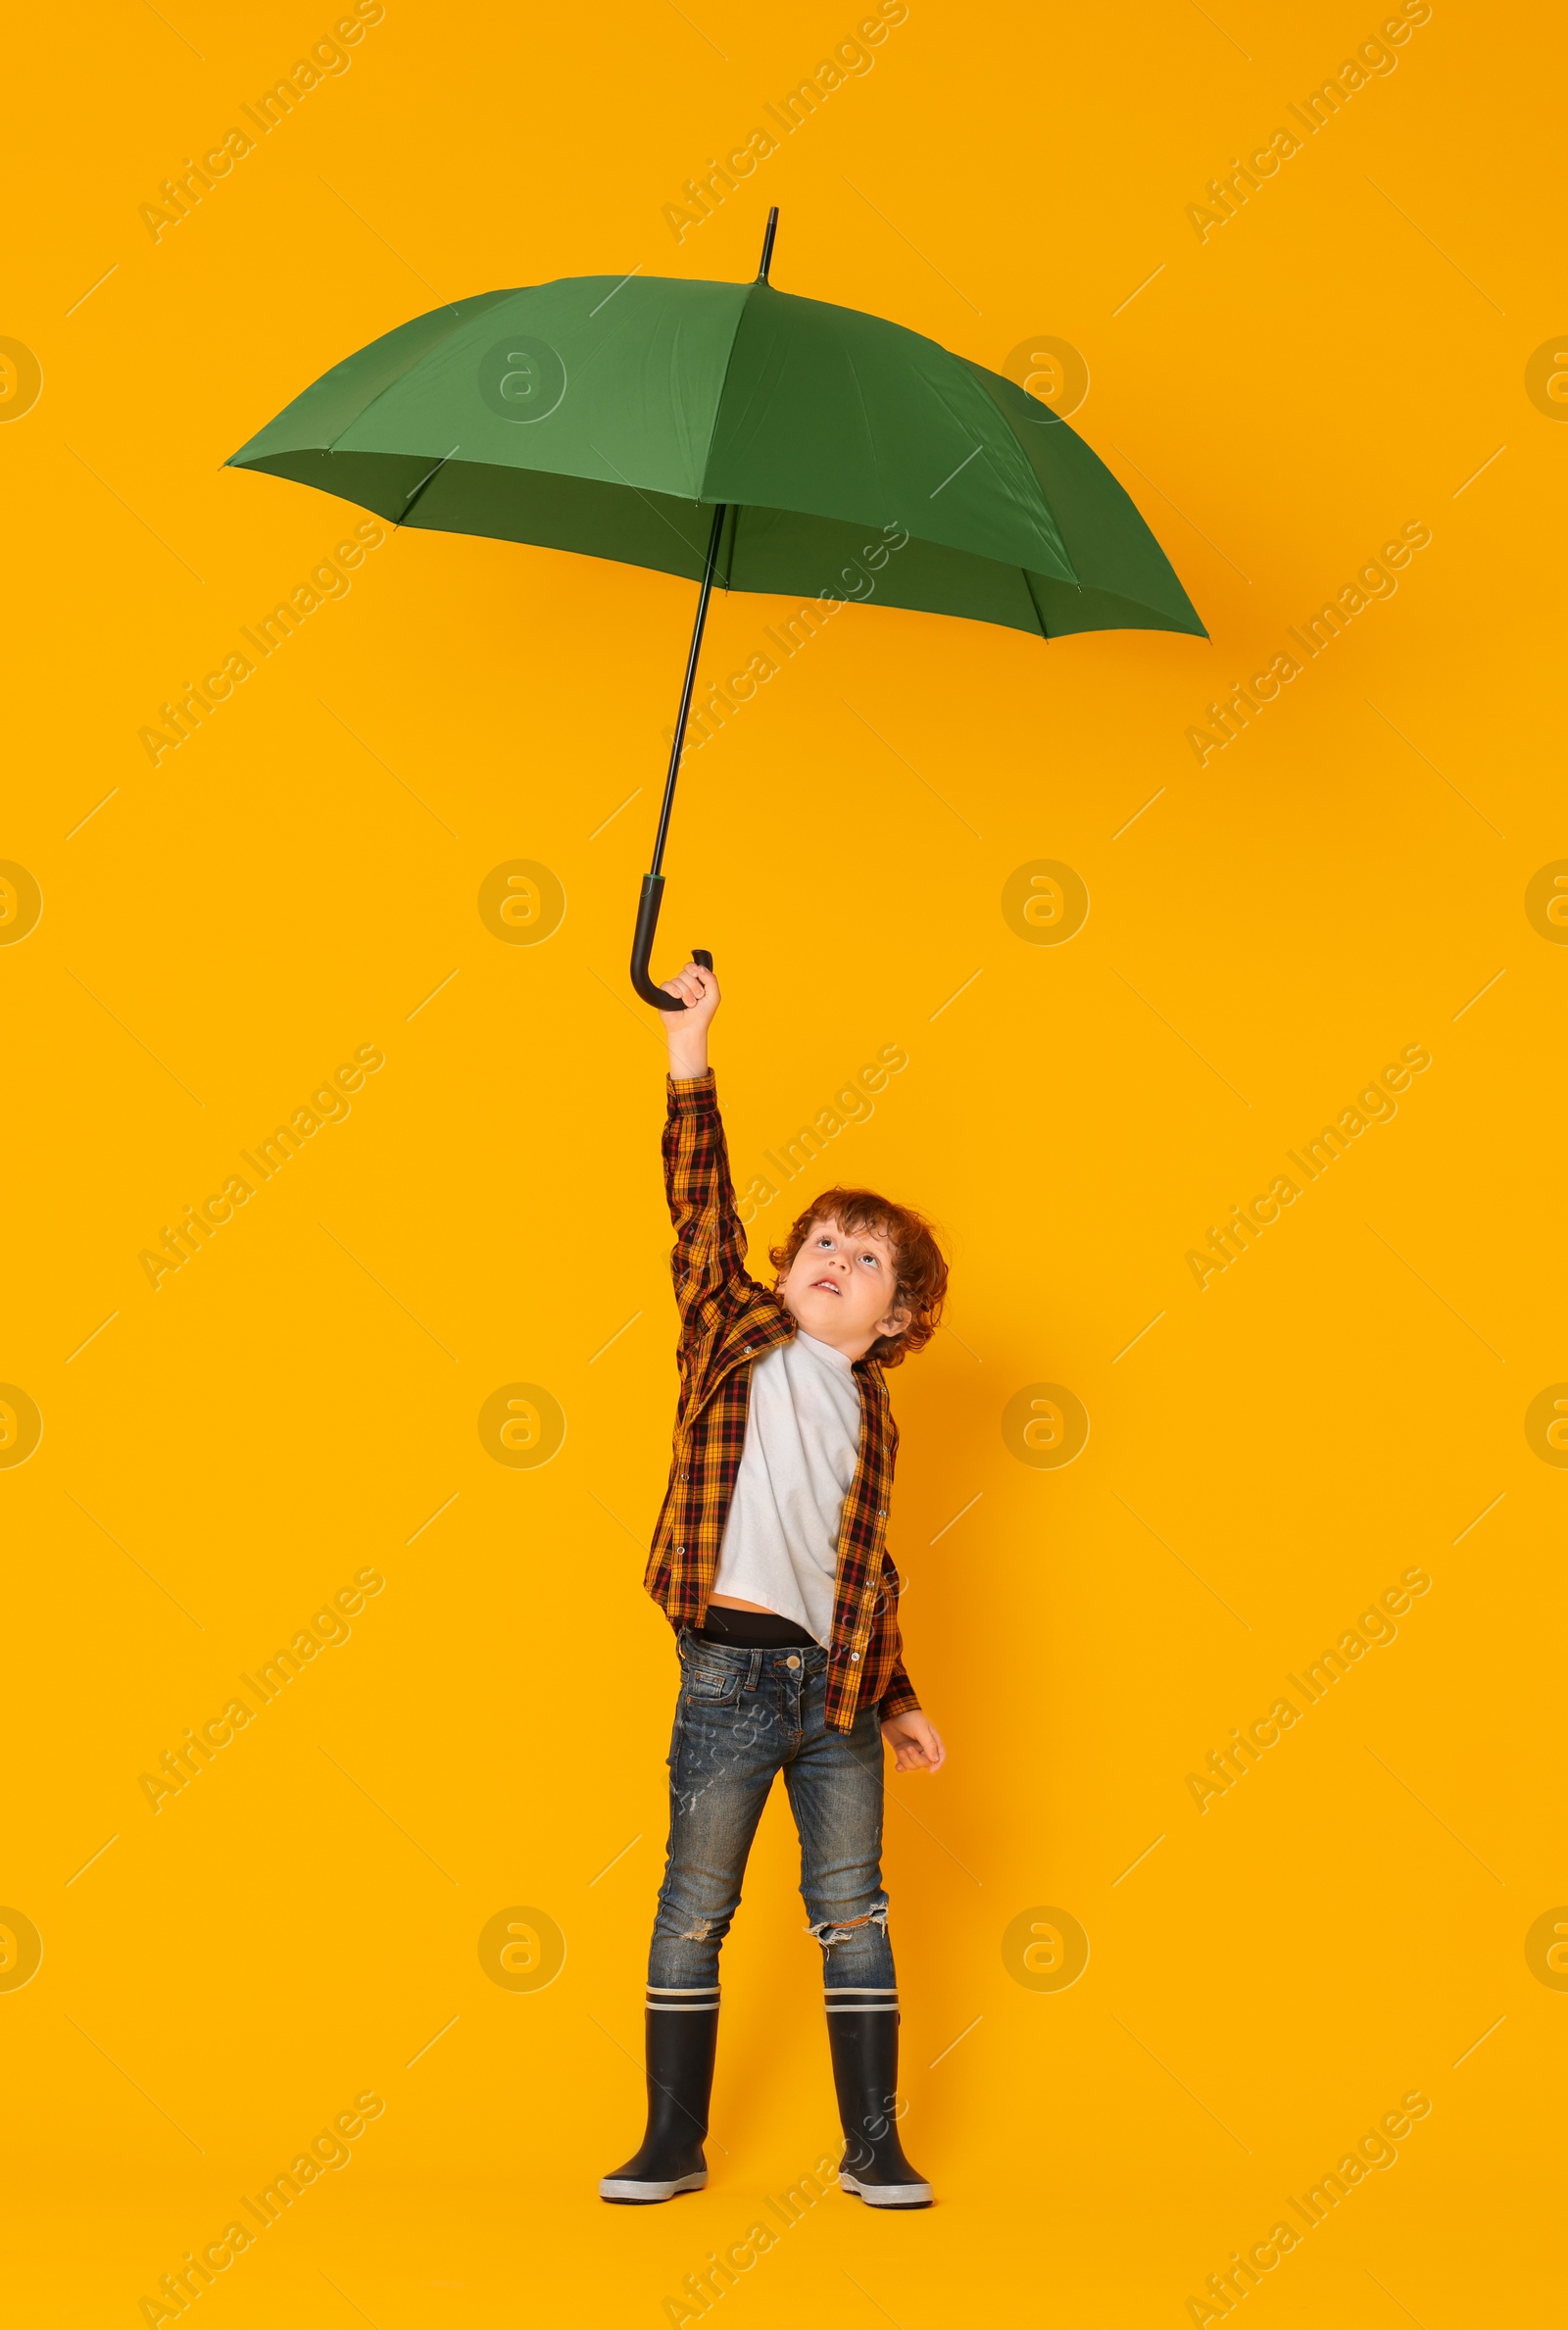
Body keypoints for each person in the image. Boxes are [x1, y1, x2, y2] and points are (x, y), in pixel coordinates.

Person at [600, 960, 949, 2211]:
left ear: (897, 1317)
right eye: (822, 1242)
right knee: (695, 1903)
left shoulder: (875, 1413)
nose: (835, 1261)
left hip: (838, 1693)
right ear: (783, 1261)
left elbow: (866, 1574)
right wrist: (688, 1049)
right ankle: (671, 2139)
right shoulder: (734, 1329)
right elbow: (699, 1207)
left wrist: (897, 1696)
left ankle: (872, 2147)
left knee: (852, 1910)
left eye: (866, 1261)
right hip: (730, 1678)